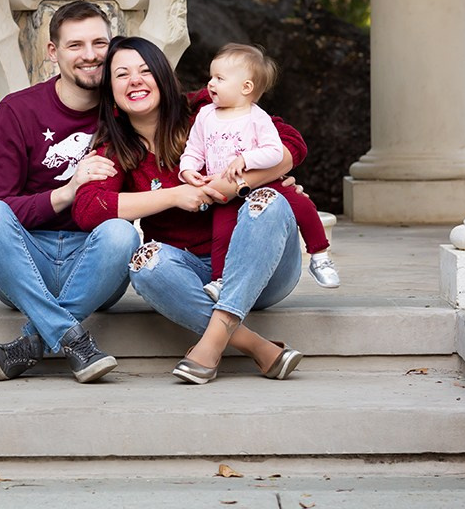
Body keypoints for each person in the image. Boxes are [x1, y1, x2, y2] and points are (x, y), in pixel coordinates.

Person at [73, 36, 305, 385]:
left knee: (268, 203)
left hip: (261, 265)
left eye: (146, 70)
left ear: (163, 78)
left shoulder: (205, 110)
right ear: (111, 91)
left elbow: (291, 144)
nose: (135, 80)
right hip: (194, 274)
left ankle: (212, 344)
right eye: (122, 74)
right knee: (144, 263)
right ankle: (256, 345)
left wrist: (237, 184)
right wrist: (175, 195)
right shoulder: (115, 150)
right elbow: (90, 209)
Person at [0, 1, 141, 383]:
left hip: (98, 261)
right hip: (27, 264)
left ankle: (31, 343)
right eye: (75, 45)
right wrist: (68, 191)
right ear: (53, 52)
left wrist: (271, 165)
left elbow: (196, 118)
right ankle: (73, 340)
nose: (91, 55)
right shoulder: (17, 111)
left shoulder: (127, 111)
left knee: (122, 233)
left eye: (99, 43)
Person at [180, 43, 339, 297]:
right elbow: (194, 149)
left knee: (303, 206)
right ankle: (221, 279)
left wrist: (246, 159)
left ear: (246, 87)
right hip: (225, 195)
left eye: (219, 78)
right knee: (221, 236)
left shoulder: (257, 117)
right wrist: (187, 170)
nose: (210, 84)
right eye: (211, 77)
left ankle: (319, 256)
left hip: (265, 185)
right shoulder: (206, 115)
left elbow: (275, 151)